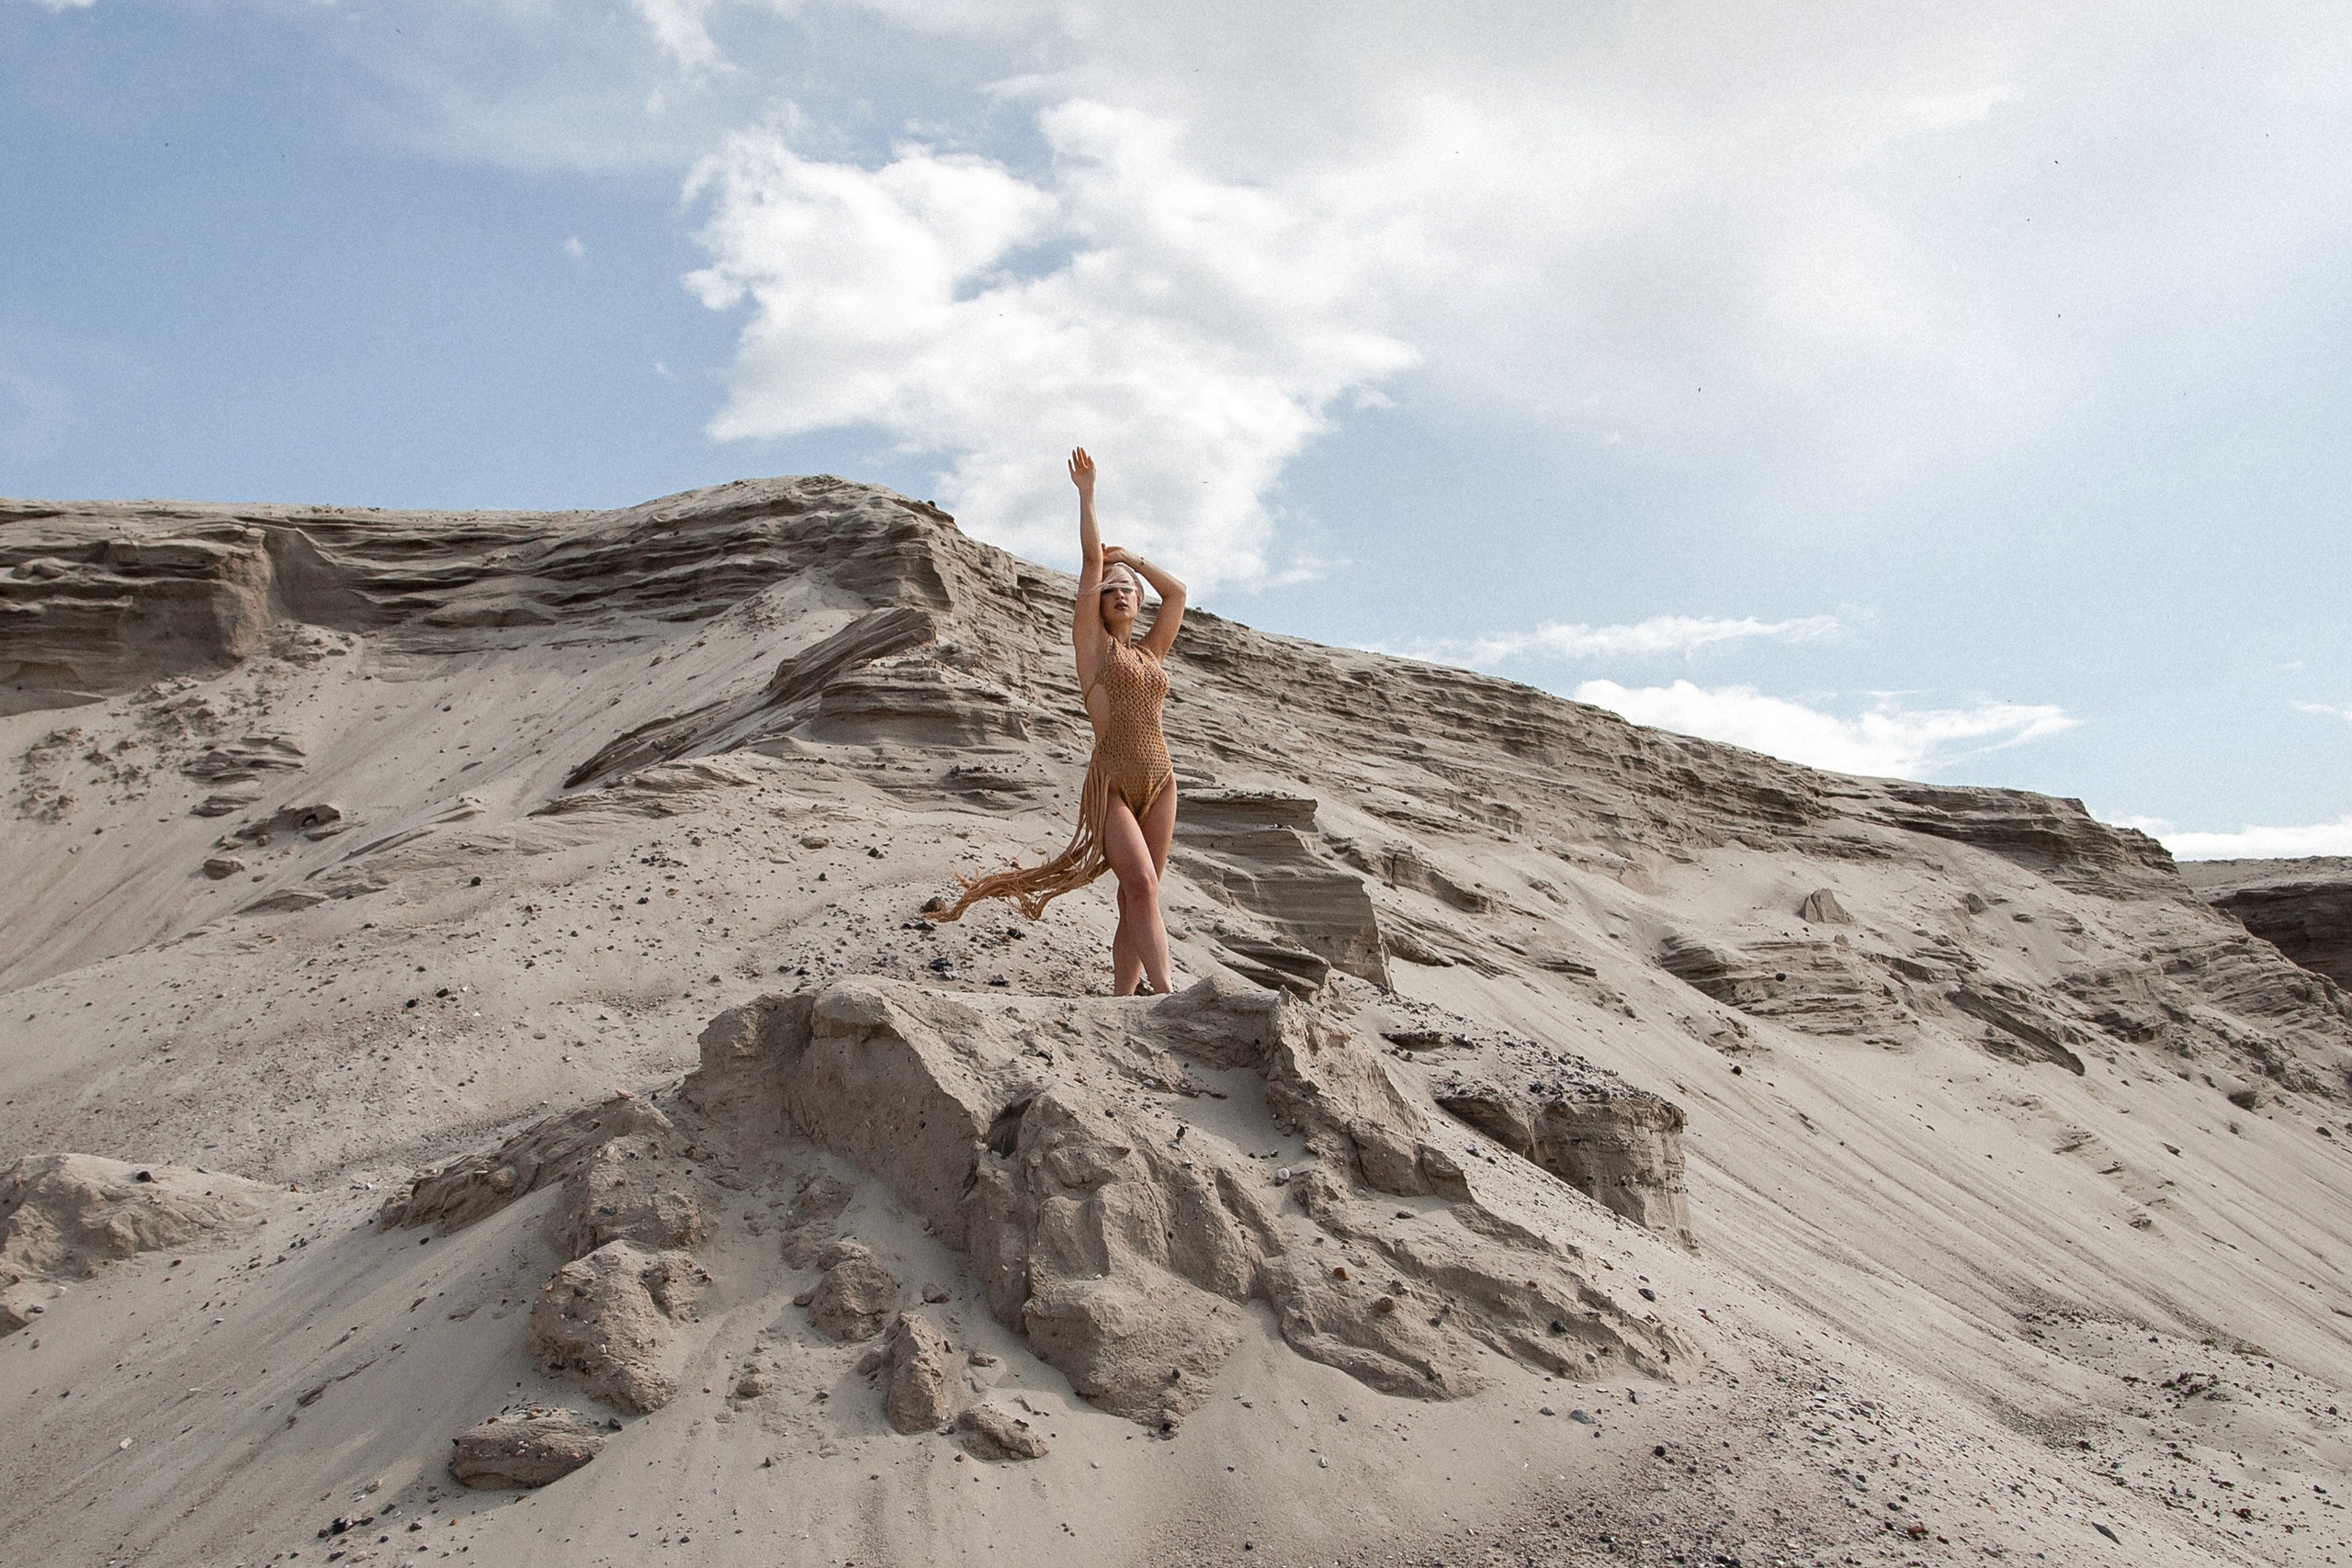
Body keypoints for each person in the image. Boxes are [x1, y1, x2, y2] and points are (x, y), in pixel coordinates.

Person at [935, 447, 1186, 996]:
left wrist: (1134, 560)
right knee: (1140, 883)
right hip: (1113, 783)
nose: (1120, 593)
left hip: (1162, 780)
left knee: (1138, 895)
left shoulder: (1151, 653)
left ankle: (1126, 997)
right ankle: (1167, 992)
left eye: (1129, 590)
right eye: (1112, 590)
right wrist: (1088, 495)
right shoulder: (1092, 647)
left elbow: (1178, 594)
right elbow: (1091, 566)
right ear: (1098, 604)